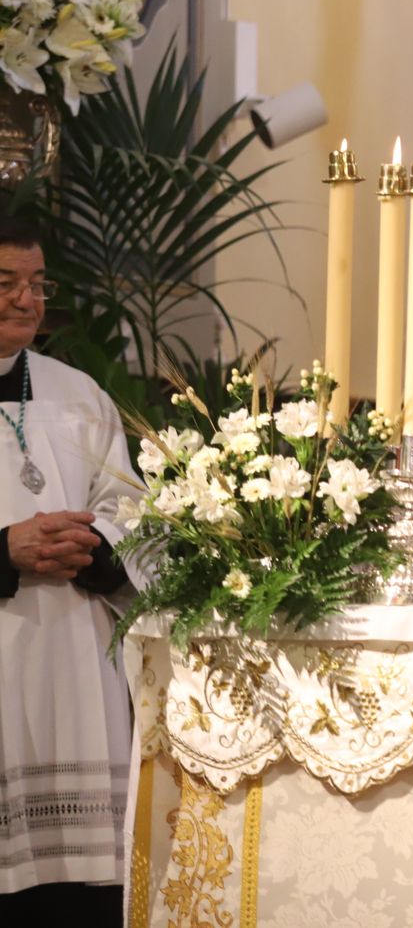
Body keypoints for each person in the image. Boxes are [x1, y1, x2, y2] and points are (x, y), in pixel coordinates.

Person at [0, 219, 139, 925]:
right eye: (6, 282)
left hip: (76, 668)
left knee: (71, 902)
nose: (27, 299)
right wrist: (5, 551)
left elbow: (131, 510)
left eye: (38, 283)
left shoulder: (79, 394)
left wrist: (94, 547)